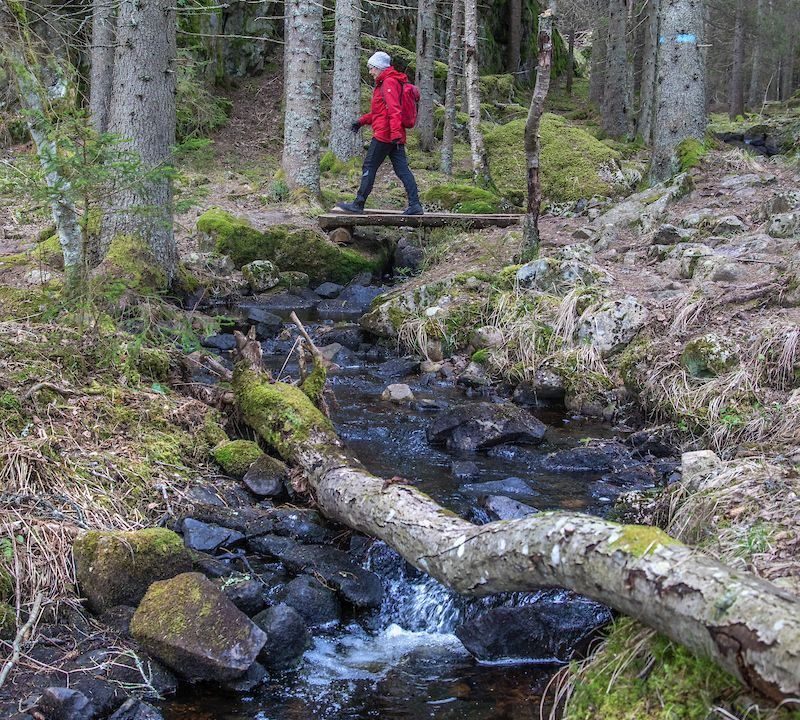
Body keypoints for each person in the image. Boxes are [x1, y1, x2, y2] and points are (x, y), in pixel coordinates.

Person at [336, 51, 424, 216]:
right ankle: (415, 205)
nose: (370, 72)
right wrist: (361, 121)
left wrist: (396, 134)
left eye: (372, 68)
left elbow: (394, 110)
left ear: (379, 67)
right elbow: (380, 112)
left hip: (386, 135)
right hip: (393, 135)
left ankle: (358, 204)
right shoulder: (387, 82)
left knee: (369, 166)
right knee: (402, 170)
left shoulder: (388, 83)